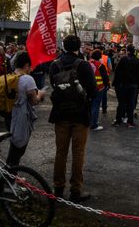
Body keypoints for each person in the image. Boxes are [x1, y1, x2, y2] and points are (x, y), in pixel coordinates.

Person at [48, 35, 97, 202]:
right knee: (78, 153)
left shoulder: (55, 65)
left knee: (60, 152)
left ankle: (58, 188)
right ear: (78, 47)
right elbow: (93, 91)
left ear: (63, 46)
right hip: (80, 115)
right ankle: (76, 190)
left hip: (60, 114)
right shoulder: (83, 65)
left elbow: (54, 86)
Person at [6, 52, 46, 167]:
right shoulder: (27, 79)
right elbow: (34, 101)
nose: (32, 69)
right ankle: (10, 179)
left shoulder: (10, 76)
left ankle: (9, 177)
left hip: (9, 115)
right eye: (31, 66)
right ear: (27, 65)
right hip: (21, 117)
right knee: (18, 150)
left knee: (14, 148)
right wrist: (41, 94)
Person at [112, 44, 139, 128]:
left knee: (121, 103)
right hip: (133, 85)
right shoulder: (138, 61)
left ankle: (118, 121)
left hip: (123, 84)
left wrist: (117, 82)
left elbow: (116, 71)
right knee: (131, 104)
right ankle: (130, 122)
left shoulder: (123, 59)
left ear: (127, 51)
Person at [88, 50, 109, 131]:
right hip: (99, 88)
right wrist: (107, 85)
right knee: (96, 106)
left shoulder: (87, 63)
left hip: (89, 88)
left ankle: (89, 121)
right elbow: (105, 78)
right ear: (100, 56)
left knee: (90, 105)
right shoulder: (100, 65)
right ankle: (94, 124)